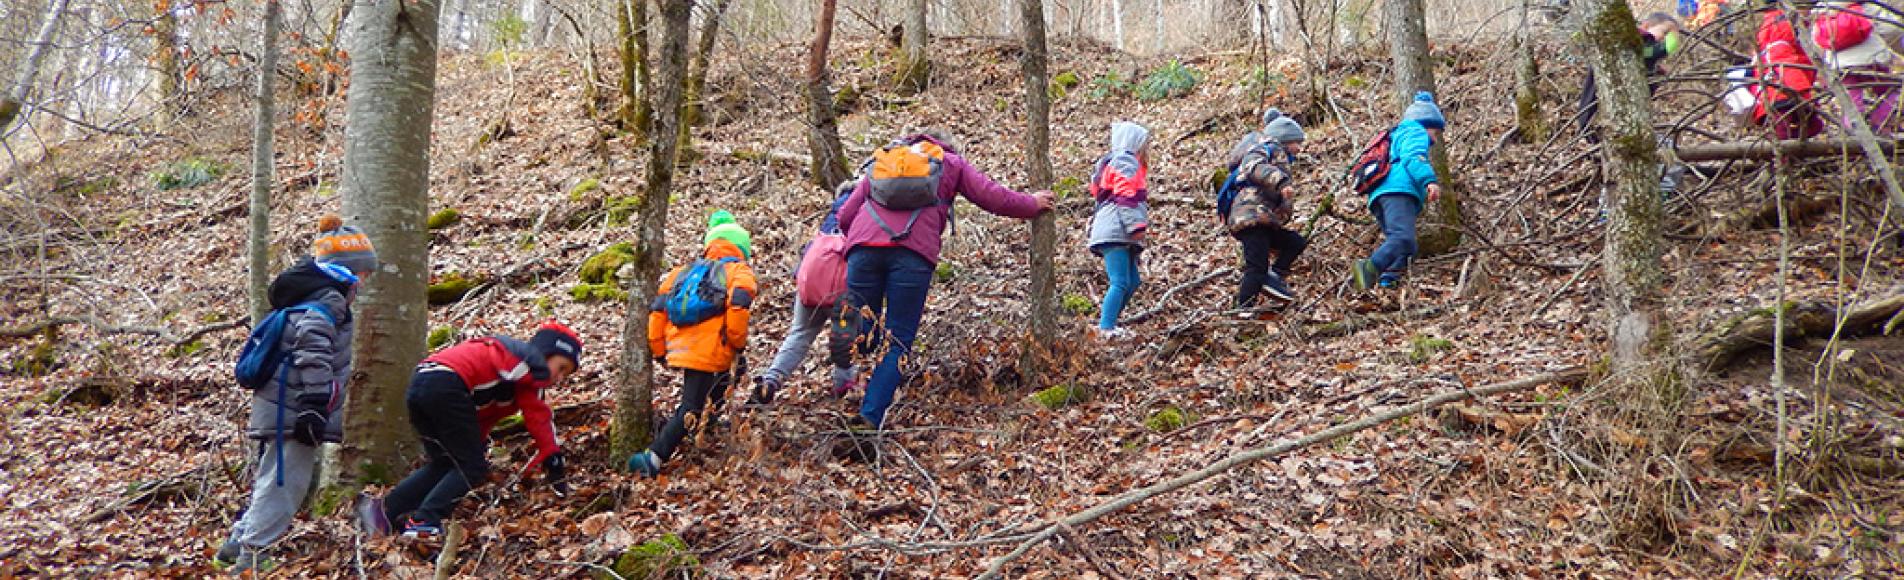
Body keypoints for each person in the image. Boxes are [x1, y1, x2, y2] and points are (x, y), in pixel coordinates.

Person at [835, 131, 1054, 430]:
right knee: (898, 340)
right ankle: (869, 417)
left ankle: (852, 336)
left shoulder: (885, 159)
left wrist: (862, 242)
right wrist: (1031, 203)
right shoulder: (949, 163)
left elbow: (845, 215)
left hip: (863, 249)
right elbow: (991, 196)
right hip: (913, 255)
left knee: (863, 324)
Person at [215, 215, 377, 572]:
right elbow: (312, 348)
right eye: (364, 273)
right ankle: (252, 558)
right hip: (293, 410)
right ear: (348, 270)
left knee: (272, 479)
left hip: (279, 407)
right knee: (285, 486)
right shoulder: (327, 302)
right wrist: (316, 405)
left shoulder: (308, 295)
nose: (366, 281)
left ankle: (235, 545)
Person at [363, 321, 583, 539]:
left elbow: (482, 416)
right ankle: (424, 521)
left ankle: (382, 514)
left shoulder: (516, 375)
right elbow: (538, 415)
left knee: (446, 463)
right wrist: (552, 455)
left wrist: (550, 456)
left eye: (566, 375)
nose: (559, 378)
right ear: (545, 352)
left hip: (422, 383)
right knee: (472, 467)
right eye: (561, 367)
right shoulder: (521, 361)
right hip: (447, 382)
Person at [626, 211, 759, 477]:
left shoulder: (683, 272)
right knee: (691, 404)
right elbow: (739, 306)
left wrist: (659, 350)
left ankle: (705, 423)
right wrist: (737, 342)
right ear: (742, 248)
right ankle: (654, 457)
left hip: (681, 347)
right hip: (710, 349)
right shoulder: (738, 271)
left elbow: (657, 310)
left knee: (732, 373)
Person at [753, 187, 860, 403]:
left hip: (810, 282)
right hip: (843, 287)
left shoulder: (832, 214)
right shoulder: (869, 211)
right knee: (846, 336)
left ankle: (771, 381)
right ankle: (844, 386)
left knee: (799, 333)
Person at [1352, 92, 1444, 291]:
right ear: (1427, 124)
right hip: (1398, 191)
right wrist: (1429, 181)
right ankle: (1368, 269)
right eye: (1435, 132)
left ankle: (1388, 282)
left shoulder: (1395, 135)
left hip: (1380, 194)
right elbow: (1412, 157)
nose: (1435, 140)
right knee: (1402, 238)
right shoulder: (1415, 131)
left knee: (1406, 246)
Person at [1220, 109, 1309, 307]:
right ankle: (1243, 310)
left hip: (1264, 220)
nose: (1299, 148)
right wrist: (1281, 181)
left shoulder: (1278, 156)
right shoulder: (1267, 149)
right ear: (1285, 140)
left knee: (1295, 242)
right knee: (1256, 269)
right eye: (1297, 142)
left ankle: (1273, 278)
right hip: (1251, 218)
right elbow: (1253, 167)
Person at [1087, 122, 1152, 338]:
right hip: (1116, 231)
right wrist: (1135, 226)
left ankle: (1111, 321)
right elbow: (1126, 197)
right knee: (1120, 281)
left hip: (1117, 231)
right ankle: (1106, 328)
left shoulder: (1119, 163)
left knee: (1133, 281)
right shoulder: (1125, 162)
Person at [1576, 13, 1682, 139]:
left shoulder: (1638, 46)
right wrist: (1674, 38)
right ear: (1646, 25)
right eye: (1664, 32)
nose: (1663, 39)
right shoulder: (1640, 41)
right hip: (1597, 112)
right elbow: (1652, 52)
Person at [1814, 2, 1902, 134]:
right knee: (1887, 90)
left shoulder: (1822, 7)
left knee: (1851, 101)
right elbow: (1891, 29)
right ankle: (1882, 125)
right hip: (1873, 59)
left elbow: (1816, 38)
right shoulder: (1867, 6)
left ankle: (1854, 134)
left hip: (1840, 63)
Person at [1755, 5, 1827, 139]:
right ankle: (1785, 154)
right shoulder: (1781, 26)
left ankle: (1790, 150)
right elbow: (1797, 61)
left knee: (1810, 125)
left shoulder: (1771, 27)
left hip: (1782, 87)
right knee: (1785, 127)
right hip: (1785, 87)